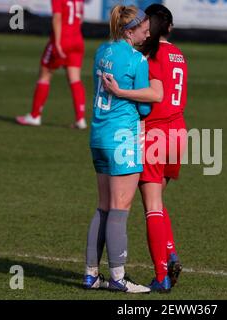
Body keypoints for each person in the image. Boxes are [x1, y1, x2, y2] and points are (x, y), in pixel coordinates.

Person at [102, 4, 188, 293]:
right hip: (179, 132)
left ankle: (162, 274)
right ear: (171, 28)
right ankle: (170, 250)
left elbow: (152, 95)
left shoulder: (150, 54)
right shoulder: (179, 55)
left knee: (151, 205)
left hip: (156, 132)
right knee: (158, 202)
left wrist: (120, 93)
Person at [83, 5, 156, 294]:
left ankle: (90, 274)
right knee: (120, 208)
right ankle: (117, 277)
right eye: (144, 29)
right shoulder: (137, 60)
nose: (148, 32)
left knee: (103, 206)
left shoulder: (101, 50)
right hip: (122, 137)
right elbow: (146, 107)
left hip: (98, 135)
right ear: (129, 31)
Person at [16, 0, 87, 129]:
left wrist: (58, 43)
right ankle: (80, 119)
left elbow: (57, 18)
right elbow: (81, 18)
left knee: (44, 76)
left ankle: (35, 116)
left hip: (63, 39)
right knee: (75, 79)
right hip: (77, 40)